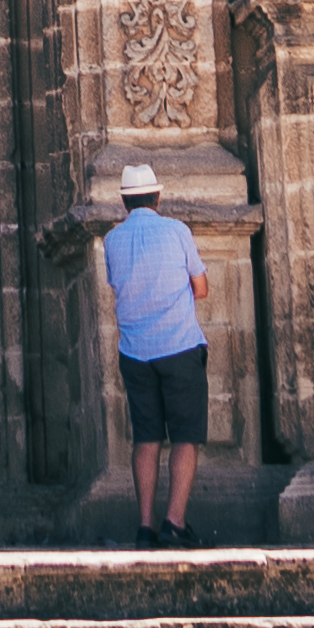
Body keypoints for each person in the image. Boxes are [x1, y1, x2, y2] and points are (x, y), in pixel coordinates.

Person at [95, 160, 212, 540]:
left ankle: (144, 526)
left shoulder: (112, 240)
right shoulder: (177, 230)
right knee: (184, 436)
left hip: (135, 352)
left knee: (146, 438)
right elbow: (201, 286)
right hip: (178, 345)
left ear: (125, 203)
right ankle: (174, 521)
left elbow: (117, 285)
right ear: (158, 196)